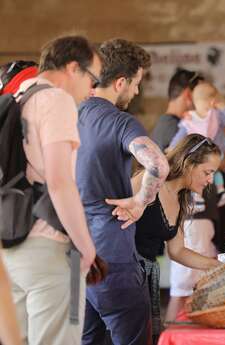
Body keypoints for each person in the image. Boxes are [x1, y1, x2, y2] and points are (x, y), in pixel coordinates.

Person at [2, 35, 99, 345]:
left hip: (12, 245)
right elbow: (60, 181)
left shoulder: (18, 96)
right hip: (51, 246)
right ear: (73, 67)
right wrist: (86, 246)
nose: (92, 90)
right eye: (92, 78)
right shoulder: (56, 100)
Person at [76, 39, 169, 345]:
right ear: (120, 82)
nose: (137, 92)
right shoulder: (118, 121)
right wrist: (143, 200)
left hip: (71, 255)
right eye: (137, 83)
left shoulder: (71, 114)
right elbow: (158, 163)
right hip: (111, 256)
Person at [126, 134, 221, 342]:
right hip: (124, 275)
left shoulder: (180, 200)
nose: (210, 180)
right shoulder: (147, 180)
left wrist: (218, 265)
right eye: (207, 172)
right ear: (189, 164)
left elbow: (177, 251)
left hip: (146, 278)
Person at [150, 68, 203, 151]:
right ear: (188, 95)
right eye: (201, 95)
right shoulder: (175, 128)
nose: (205, 102)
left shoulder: (168, 123)